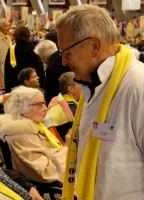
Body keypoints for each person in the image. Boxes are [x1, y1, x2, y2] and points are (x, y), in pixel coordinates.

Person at [56, 4, 144, 200]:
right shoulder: (91, 86)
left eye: (66, 52)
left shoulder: (137, 86)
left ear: (94, 46)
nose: (63, 62)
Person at [0, 86, 67, 183]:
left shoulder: (36, 126)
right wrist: (67, 149)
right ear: (23, 109)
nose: (45, 108)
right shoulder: (21, 136)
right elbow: (46, 172)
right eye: (39, 104)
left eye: (44, 103)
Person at [4, 26, 45, 93]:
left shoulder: (11, 51)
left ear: (15, 36)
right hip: (32, 91)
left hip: (15, 90)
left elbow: (7, 74)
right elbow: (40, 73)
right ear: (28, 35)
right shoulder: (33, 51)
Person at [44, 72, 81, 142]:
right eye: (80, 83)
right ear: (71, 89)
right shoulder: (72, 107)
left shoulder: (56, 101)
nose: (83, 86)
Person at [34, 40, 70, 104]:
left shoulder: (51, 68)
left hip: (62, 101)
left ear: (44, 57)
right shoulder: (66, 56)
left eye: (41, 59)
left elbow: (50, 93)